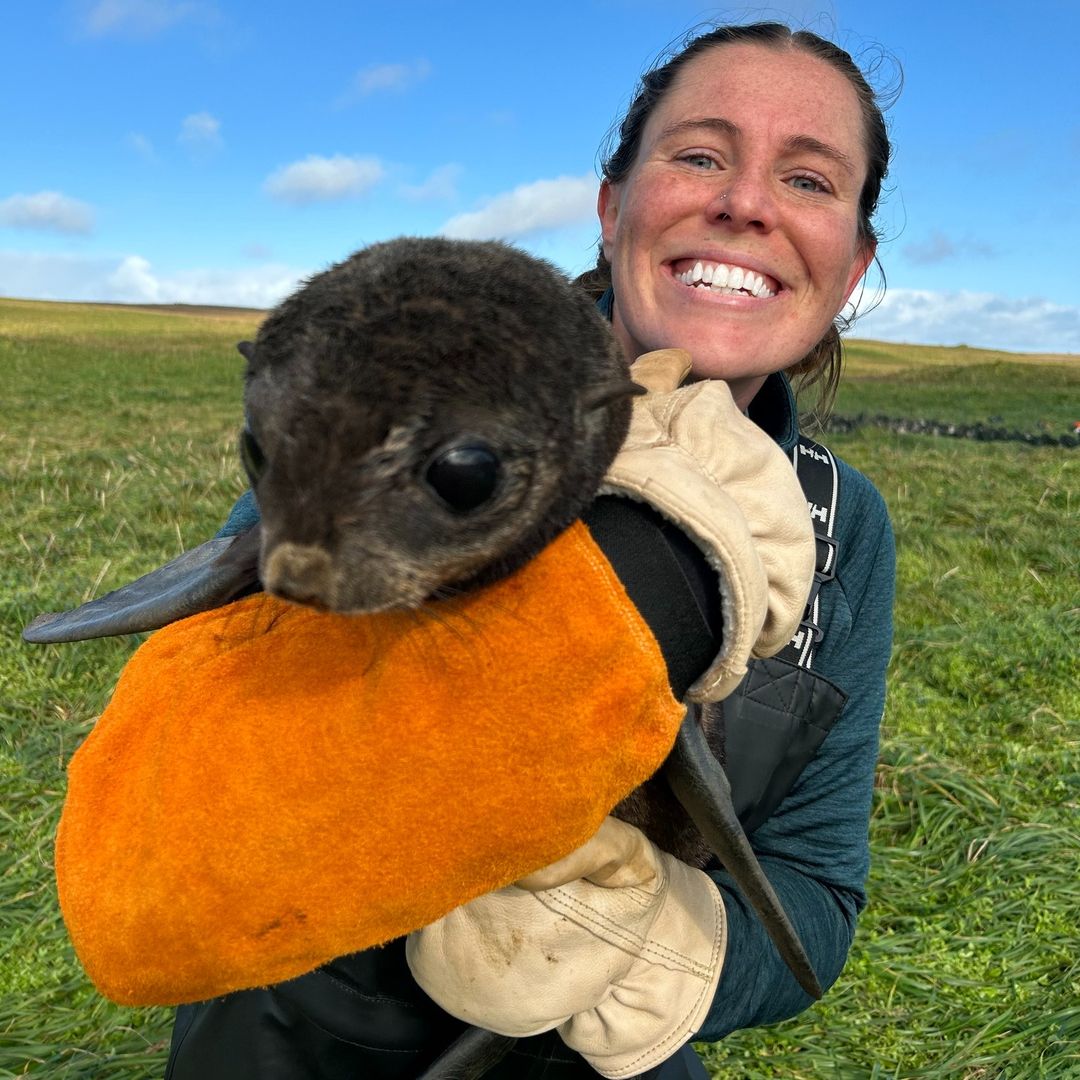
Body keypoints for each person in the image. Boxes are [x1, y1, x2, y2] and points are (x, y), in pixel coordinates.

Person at [165, 20, 895, 1080]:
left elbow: (815, 897)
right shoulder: (402, 391)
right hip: (300, 1036)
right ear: (612, 209)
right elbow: (192, 771)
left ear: (853, 263)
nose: (746, 203)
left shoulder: (842, 525)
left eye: (812, 179)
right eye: (699, 154)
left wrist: (663, 948)